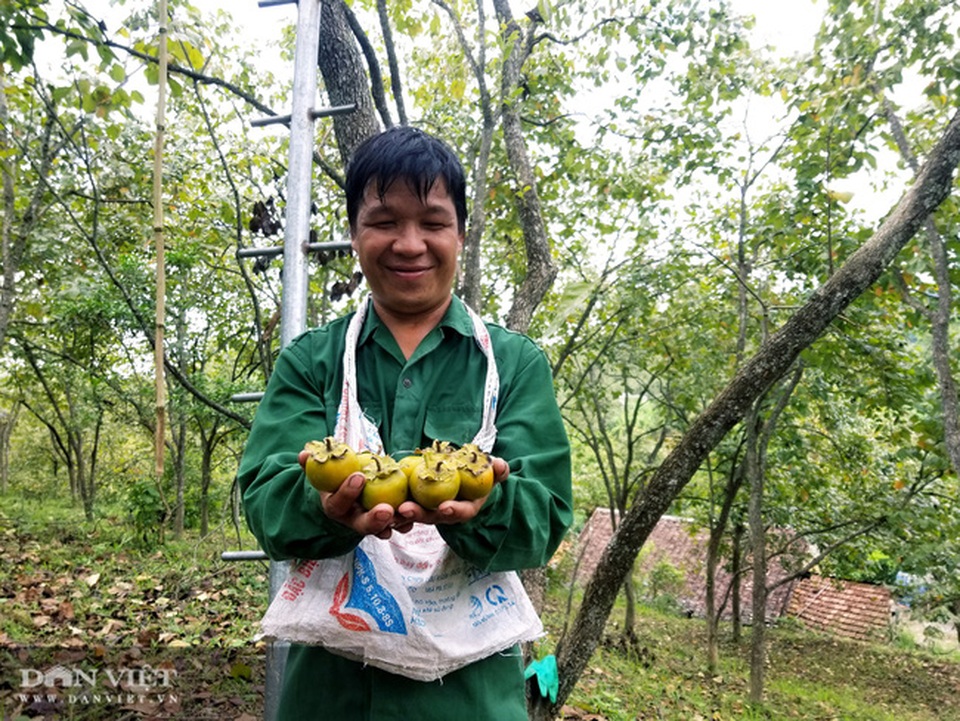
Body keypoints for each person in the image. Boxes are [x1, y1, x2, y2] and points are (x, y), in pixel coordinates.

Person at [237, 125, 573, 720]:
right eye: (385, 221)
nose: (409, 243)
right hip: (330, 696)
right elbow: (264, 500)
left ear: (461, 234)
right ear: (354, 233)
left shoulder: (515, 365)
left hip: (472, 700)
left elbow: (545, 519)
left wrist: (486, 505)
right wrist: (324, 507)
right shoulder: (311, 361)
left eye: (433, 223)